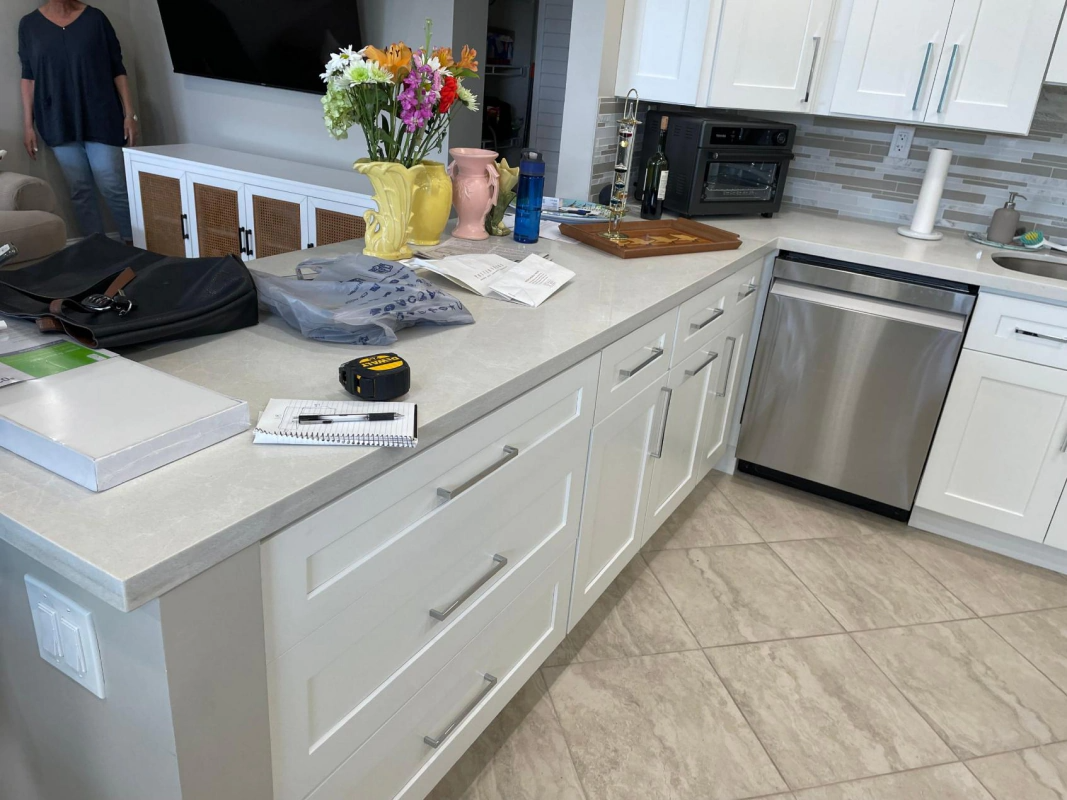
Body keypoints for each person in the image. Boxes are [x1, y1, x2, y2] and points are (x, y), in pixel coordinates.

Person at [18, 1, 138, 243]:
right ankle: (96, 250)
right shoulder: (29, 25)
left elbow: (118, 68)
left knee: (113, 185)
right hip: (57, 118)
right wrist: (28, 125)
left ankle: (134, 244)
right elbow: (28, 77)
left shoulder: (95, 19)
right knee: (80, 190)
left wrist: (129, 114)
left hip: (102, 115)